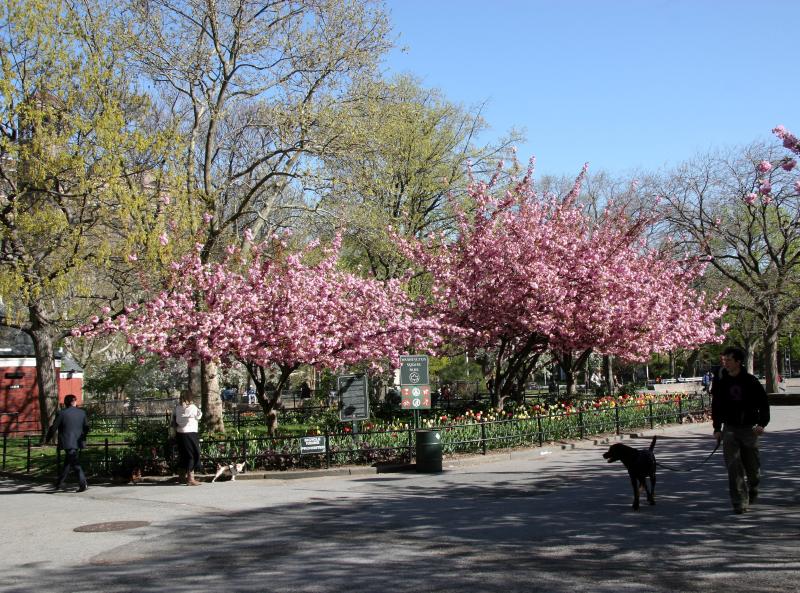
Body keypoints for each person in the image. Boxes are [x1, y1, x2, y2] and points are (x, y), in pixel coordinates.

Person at [711, 346, 770, 514]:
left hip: (749, 429)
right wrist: (717, 428)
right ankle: (739, 502)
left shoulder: (750, 381)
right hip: (730, 429)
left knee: (753, 470)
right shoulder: (722, 382)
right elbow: (717, 406)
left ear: (738, 362)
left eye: (729, 360)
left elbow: (763, 404)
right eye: (724, 360)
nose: (725, 363)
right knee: (733, 467)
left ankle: (753, 486)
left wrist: (761, 423)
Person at [47, 394, 89, 492]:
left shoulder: (61, 413)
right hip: (78, 441)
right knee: (68, 462)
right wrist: (82, 437)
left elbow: (54, 428)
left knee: (74, 462)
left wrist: (47, 438)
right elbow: (86, 427)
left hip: (67, 441)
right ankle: (59, 483)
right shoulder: (82, 413)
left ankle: (83, 483)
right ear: (74, 402)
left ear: (66, 403)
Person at [173, 390, 203, 486]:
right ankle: (190, 478)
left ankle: (181, 476)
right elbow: (199, 416)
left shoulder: (177, 408)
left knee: (183, 454)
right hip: (191, 433)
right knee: (193, 455)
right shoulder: (193, 408)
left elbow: (174, 418)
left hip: (180, 433)